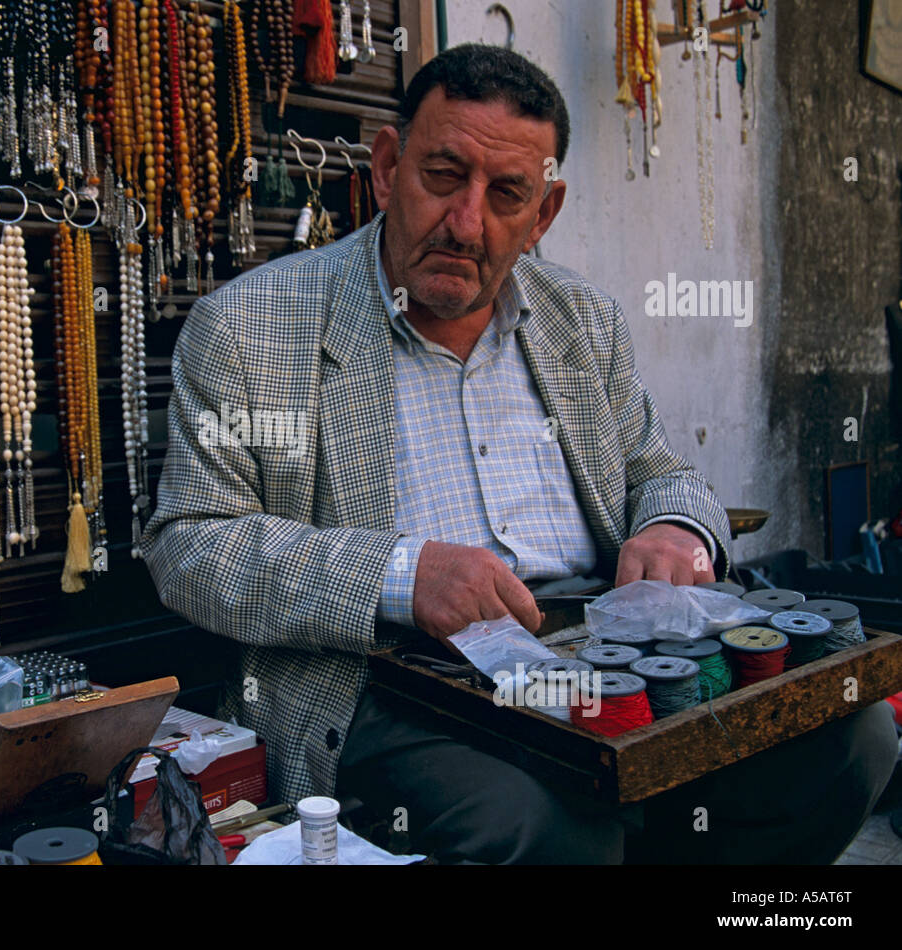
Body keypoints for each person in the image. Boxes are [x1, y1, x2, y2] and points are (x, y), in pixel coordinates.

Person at [141, 43, 897, 863]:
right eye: (442, 176)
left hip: (594, 653)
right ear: (388, 167)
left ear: (544, 212)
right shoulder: (251, 328)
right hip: (399, 679)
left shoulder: (583, 321)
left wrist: (678, 526)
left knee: (851, 737)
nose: (467, 223)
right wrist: (403, 574)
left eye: (507, 195)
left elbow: (661, 472)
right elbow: (192, 544)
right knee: (542, 826)